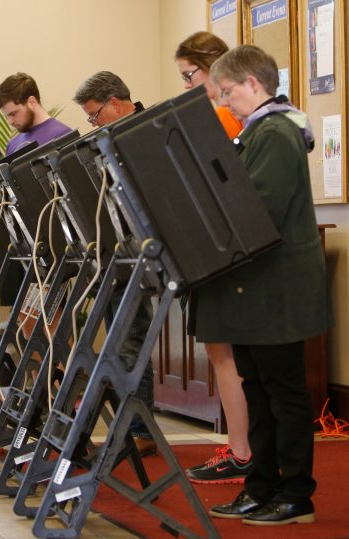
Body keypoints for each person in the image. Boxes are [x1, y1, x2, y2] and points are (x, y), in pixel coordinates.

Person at [195, 45, 332, 526]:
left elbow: (259, 211)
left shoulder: (275, 131)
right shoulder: (260, 131)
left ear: (254, 84)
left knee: (283, 393)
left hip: (277, 290)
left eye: (229, 92)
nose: (226, 103)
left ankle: (295, 493)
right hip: (256, 287)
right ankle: (261, 487)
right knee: (258, 390)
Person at [174, 31, 251, 485]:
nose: (187, 86)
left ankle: (241, 451)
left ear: (215, 66)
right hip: (220, 249)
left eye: (190, 75)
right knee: (229, 359)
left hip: (221, 251)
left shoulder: (223, 116)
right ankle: (242, 448)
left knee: (227, 360)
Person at [72, 71, 156, 457]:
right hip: (111, 251)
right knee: (119, 337)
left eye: (94, 115)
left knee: (132, 338)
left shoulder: (146, 131)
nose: (92, 124)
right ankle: (129, 424)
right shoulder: (103, 141)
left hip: (142, 251)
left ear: (115, 104)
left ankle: (140, 429)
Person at [0, 72, 72, 155]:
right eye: (6, 116)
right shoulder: (12, 145)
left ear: (31, 102)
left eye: (13, 114)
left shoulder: (62, 135)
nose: (10, 122)